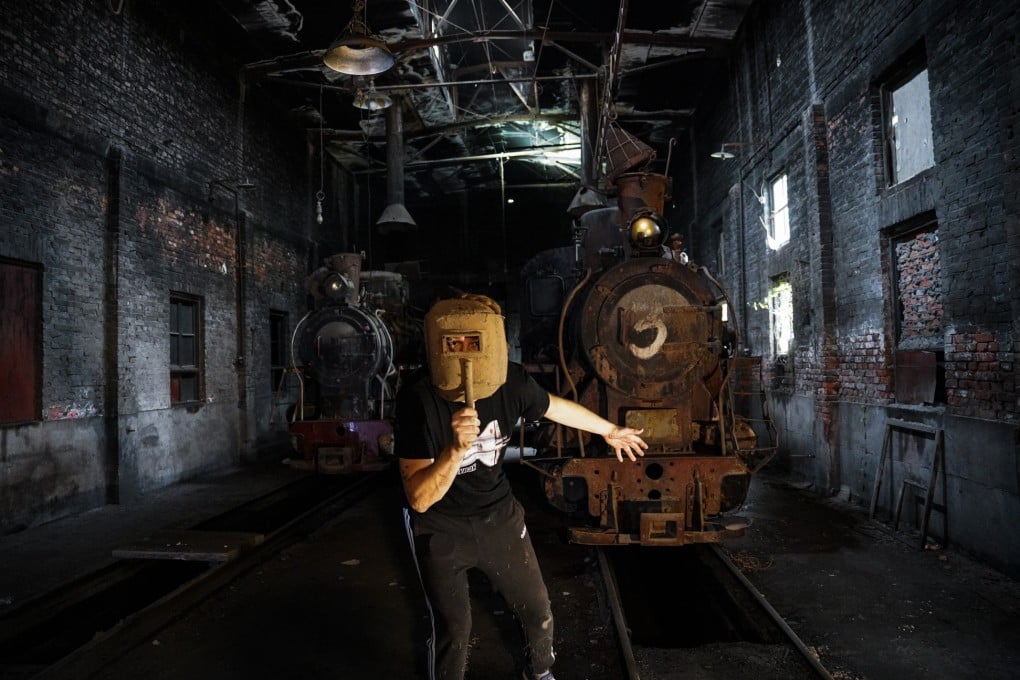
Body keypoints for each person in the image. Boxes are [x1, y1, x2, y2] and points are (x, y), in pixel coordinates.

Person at [395, 293, 648, 680]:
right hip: (440, 526)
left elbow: (553, 406)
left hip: (499, 517)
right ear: (437, 344)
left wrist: (610, 430)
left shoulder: (511, 380)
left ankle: (540, 673)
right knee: (453, 630)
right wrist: (453, 450)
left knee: (537, 609)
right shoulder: (417, 397)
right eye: (455, 343)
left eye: (475, 342)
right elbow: (420, 499)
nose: (466, 354)